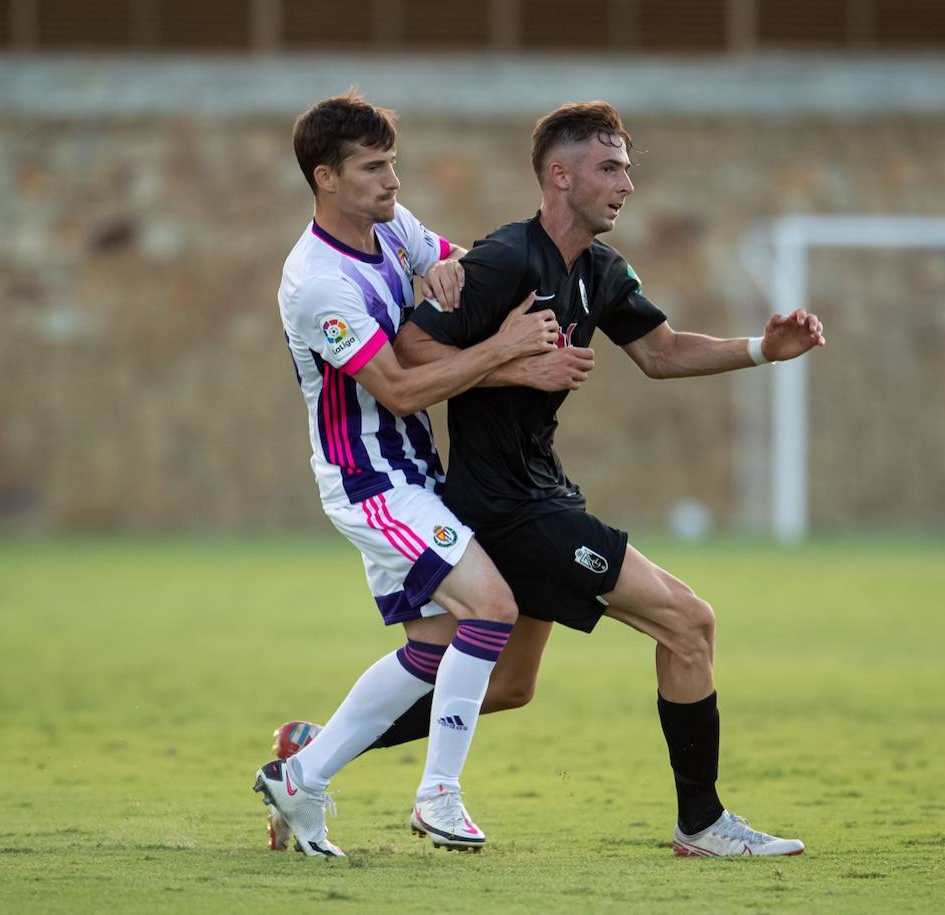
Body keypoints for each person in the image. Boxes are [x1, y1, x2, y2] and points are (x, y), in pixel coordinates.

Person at [381, 100, 826, 857]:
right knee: (689, 622)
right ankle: (702, 823)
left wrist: (762, 349)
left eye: (627, 168)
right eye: (609, 167)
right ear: (560, 175)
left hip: (542, 492)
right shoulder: (504, 261)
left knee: (511, 687)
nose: (626, 183)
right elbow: (410, 351)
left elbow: (662, 351)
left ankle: (315, 752)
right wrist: (515, 362)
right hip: (507, 508)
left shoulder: (601, 270)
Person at [256, 90, 563, 857]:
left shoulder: (392, 227)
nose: (393, 181)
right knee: (491, 607)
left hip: (415, 471)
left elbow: (453, 266)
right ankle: (439, 795)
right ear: (326, 178)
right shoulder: (317, 283)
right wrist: (505, 349)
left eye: (393, 162)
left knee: (432, 649)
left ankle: (303, 774)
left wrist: (458, 275)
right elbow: (395, 386)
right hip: (370, 481)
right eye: (373, 167)